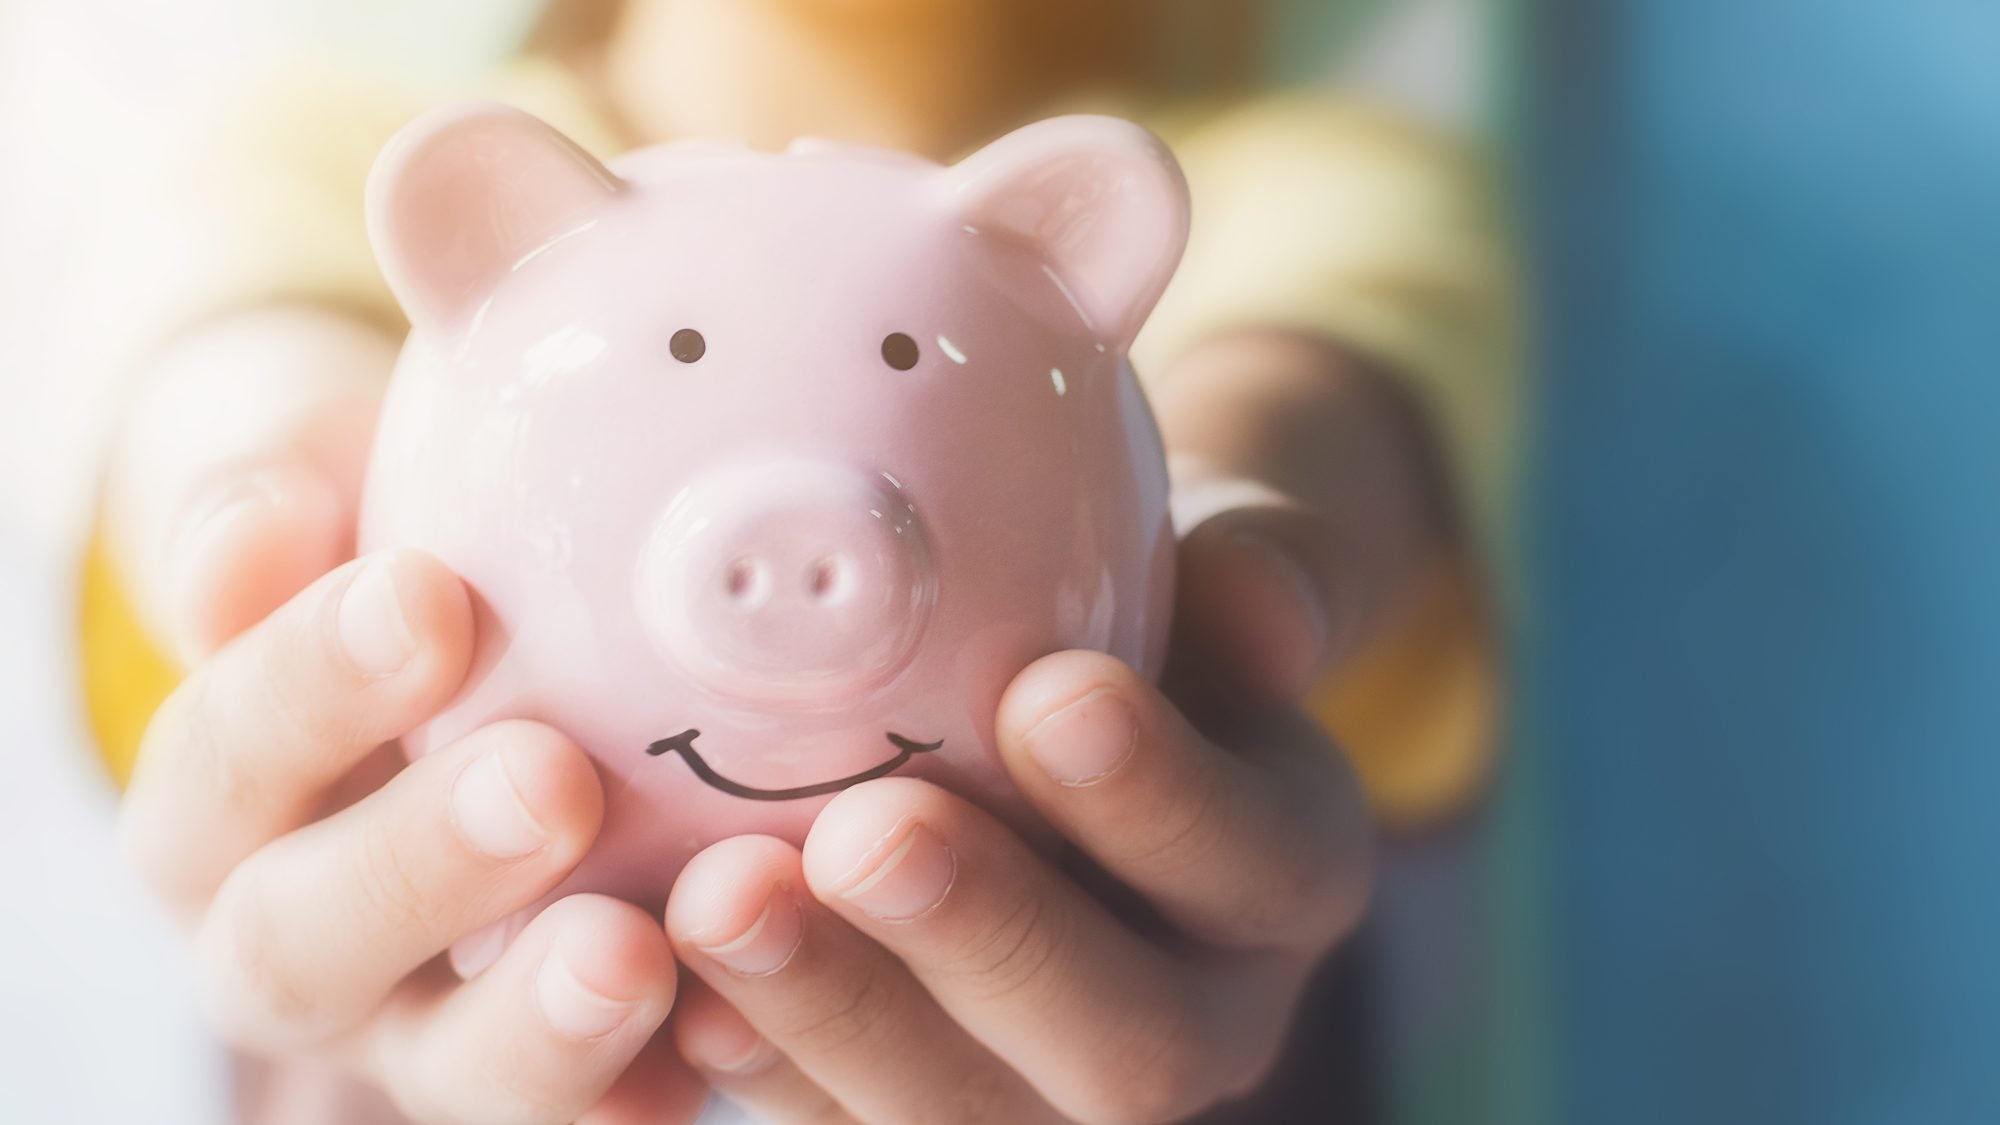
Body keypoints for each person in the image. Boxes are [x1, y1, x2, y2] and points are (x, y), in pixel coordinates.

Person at [85, 0, 1517, 1119]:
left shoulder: (1295, 175)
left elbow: (1310, 369)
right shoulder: (333, 147)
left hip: (1117, 1018)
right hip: (426, 1037)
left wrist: (1206, 526)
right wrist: (260, 491)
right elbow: (238, 329)